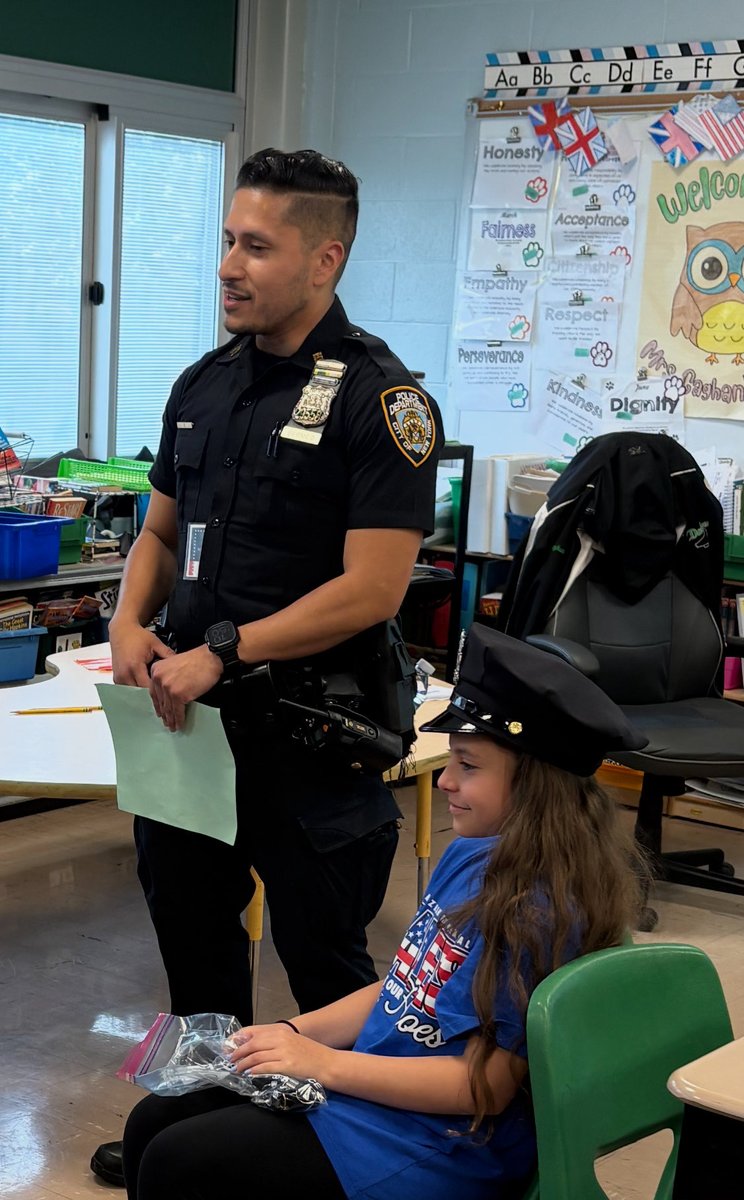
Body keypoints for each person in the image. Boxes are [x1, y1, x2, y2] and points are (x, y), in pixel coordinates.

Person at [91, 147, 443, 1186]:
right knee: (198, 959)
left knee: (328, 962)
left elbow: (374, 589)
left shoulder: (383, 401)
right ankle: (202, 1138)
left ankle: (359, 1157)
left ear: (324, 258)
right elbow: (158, 534)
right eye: (226, 243)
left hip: (312, 743)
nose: (229, 266)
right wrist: (127, 620)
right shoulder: (204, 385)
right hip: (191, 738)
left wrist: (223, 651)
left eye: (257, 246)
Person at [120, 626, 648, 1200]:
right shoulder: (475, 855)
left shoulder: (542, 909)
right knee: (153, 1124)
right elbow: (403, 985)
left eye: (468, 766)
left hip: (443, 1142)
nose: (445, 779)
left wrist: (320, 1063)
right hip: (384, 1099)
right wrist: (293, 1031)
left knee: (181, 1162)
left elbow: (487, 1087)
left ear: (536, 787)